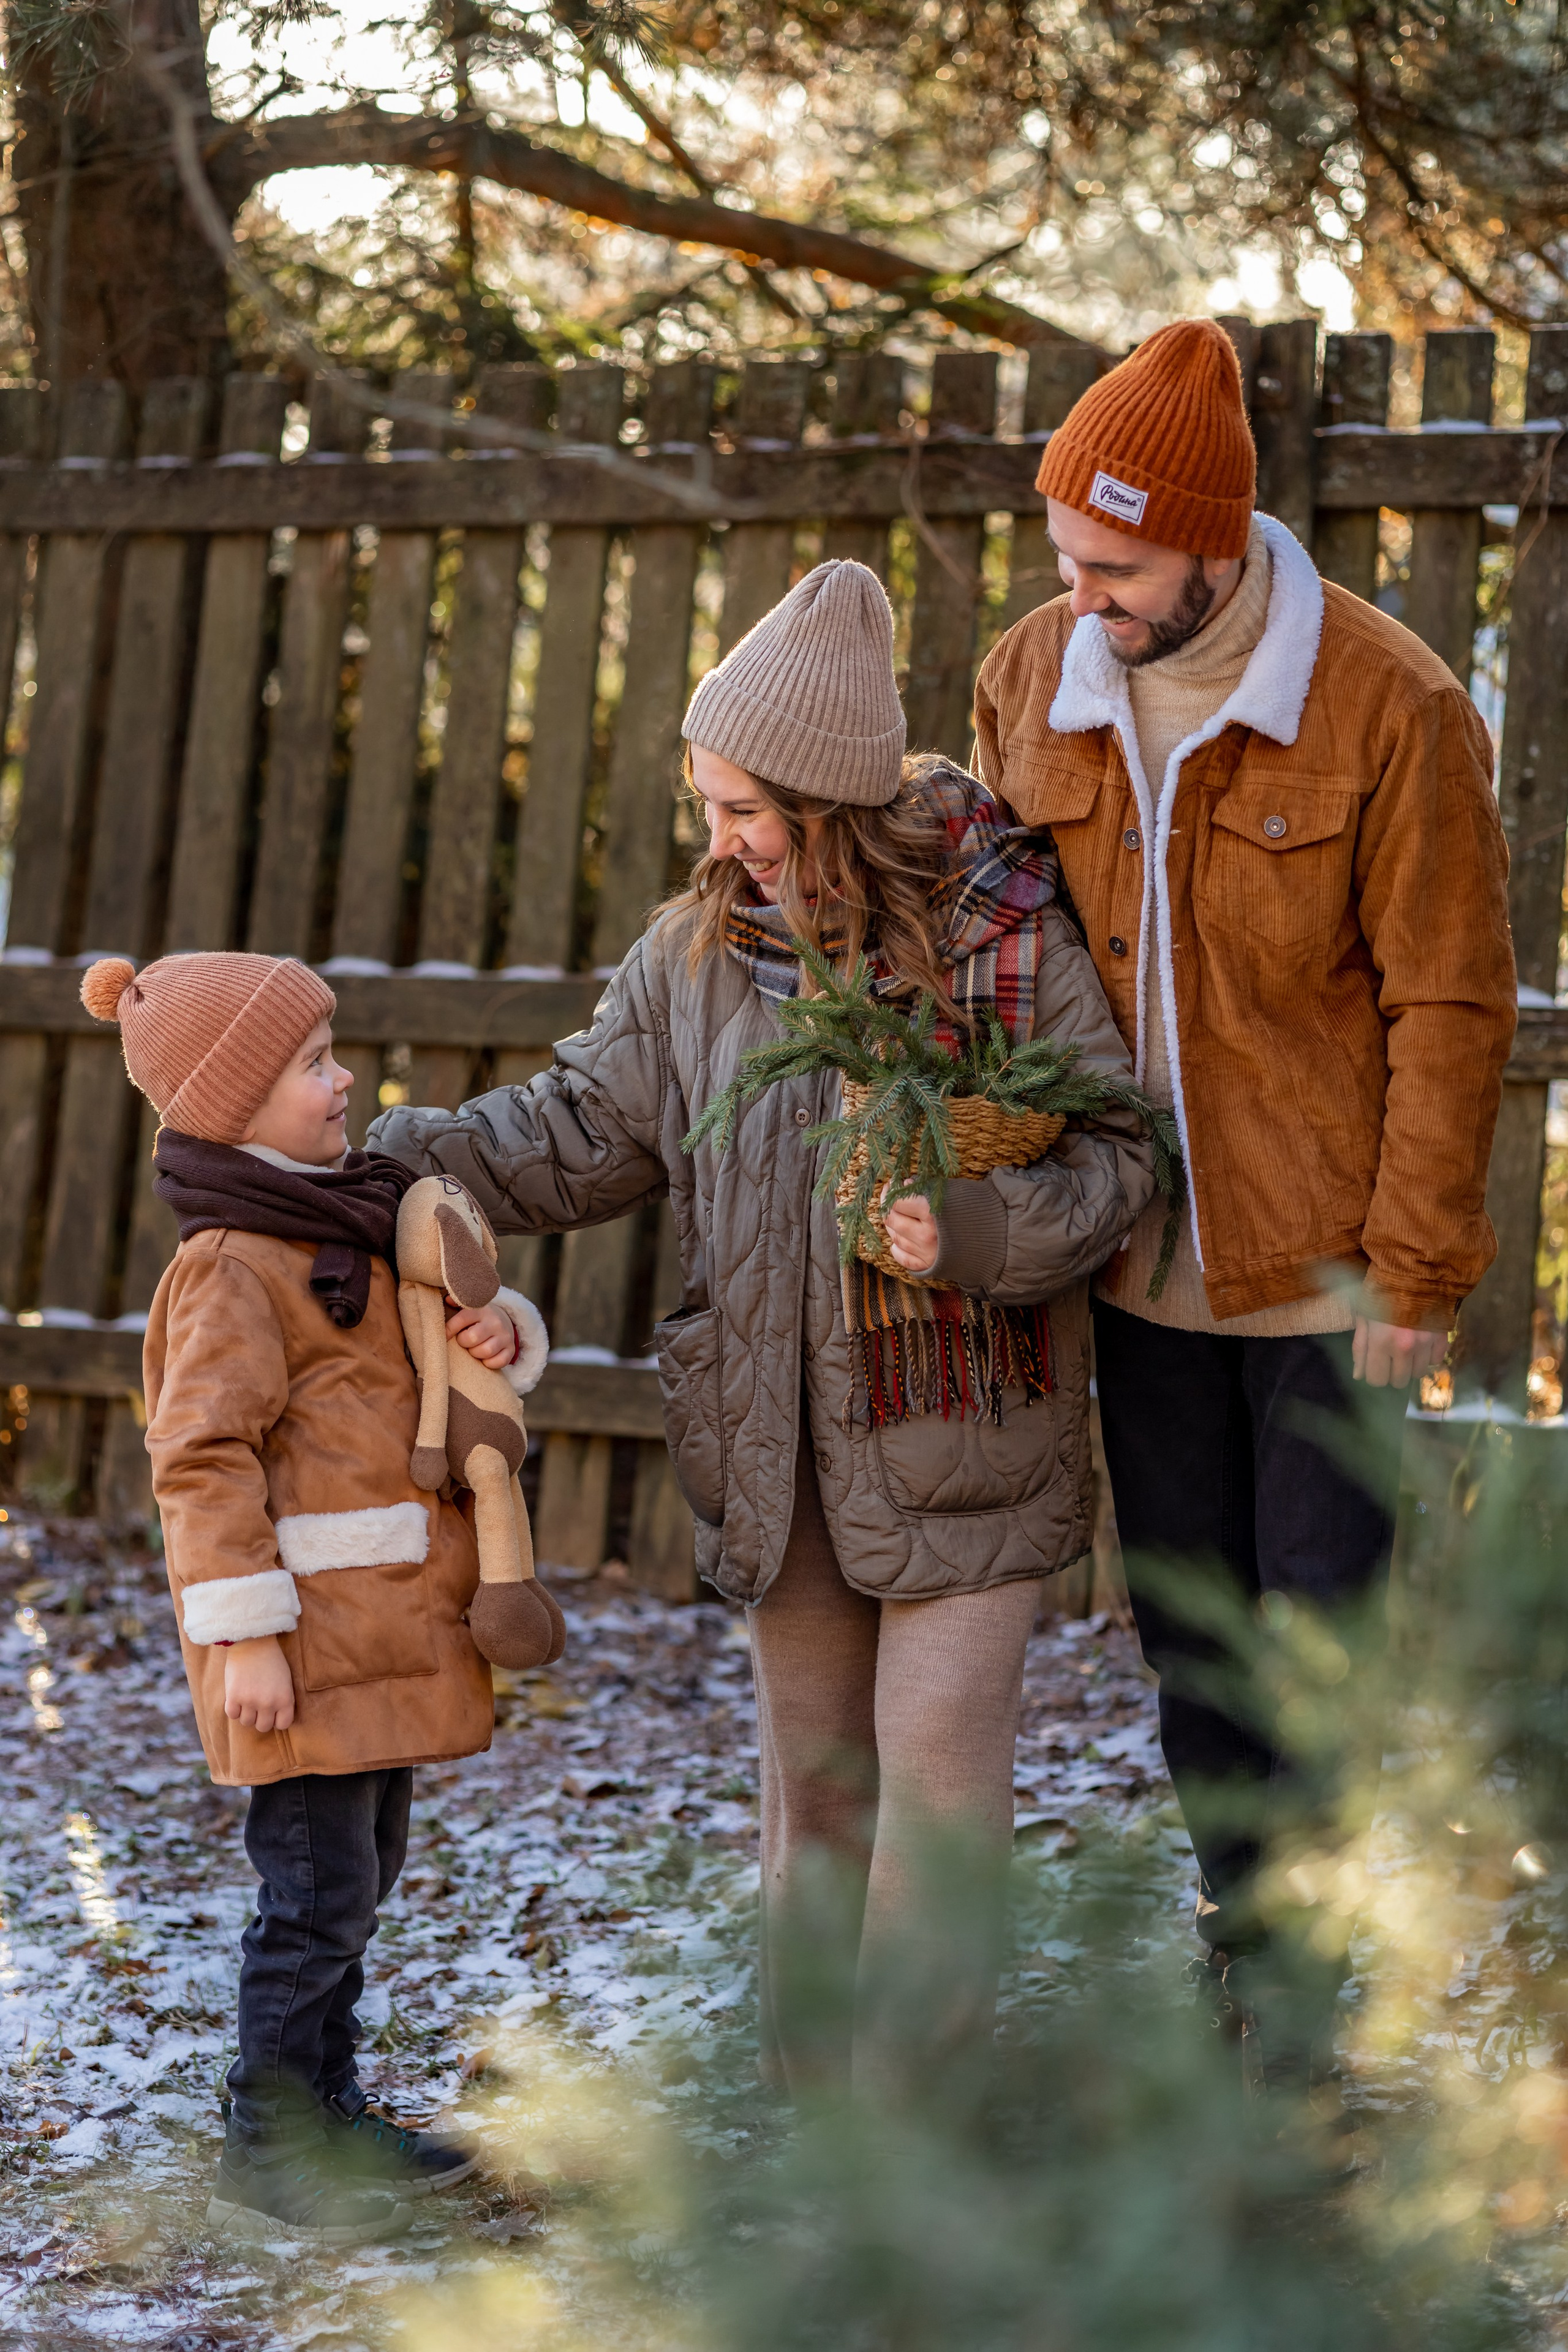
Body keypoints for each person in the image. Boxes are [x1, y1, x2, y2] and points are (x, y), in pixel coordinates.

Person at [371, 559, 1155, 2100]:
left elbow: (1115, 1154)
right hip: (776, 1446)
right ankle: (815, 2128)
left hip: (963, 1437)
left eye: (743, 807)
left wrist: (973, 1227)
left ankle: (910, 2142)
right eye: (706, 802)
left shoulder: (994, 934)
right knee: (817, 1794)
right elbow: (579, 1128)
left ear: (829, 800)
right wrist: (377, 1166)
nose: (718, 837)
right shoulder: (693, 956)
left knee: (935, 1798)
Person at [972, 318, 1517, 2082]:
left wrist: (1417, 1272)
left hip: (1329, 1270)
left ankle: (1313, 1985)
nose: (1082, 599)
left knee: (1318, 1640)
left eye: (1115, 570)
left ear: (1211, 545)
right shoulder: (1030, 675)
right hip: (1132, 1261)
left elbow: (1453, 1002)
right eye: (1065, 559)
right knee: (1193, 1638)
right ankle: (1247, 1946)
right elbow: (989, 940)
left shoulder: (1387, 703)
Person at [80, 949, 548, 2242]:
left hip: (378, 1630)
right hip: (302, 1646)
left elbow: (425, 1370)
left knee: (359, 1879)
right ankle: (272, 2148)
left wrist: (495, 1335)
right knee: (312, 1897)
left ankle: (327, 2109)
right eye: (311, 1065)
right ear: (233, 1103)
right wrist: (244, 1636)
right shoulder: (231, 1264)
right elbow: (200, 1458)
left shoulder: (339, 1227)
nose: (345, 1082)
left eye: (333, 1053)